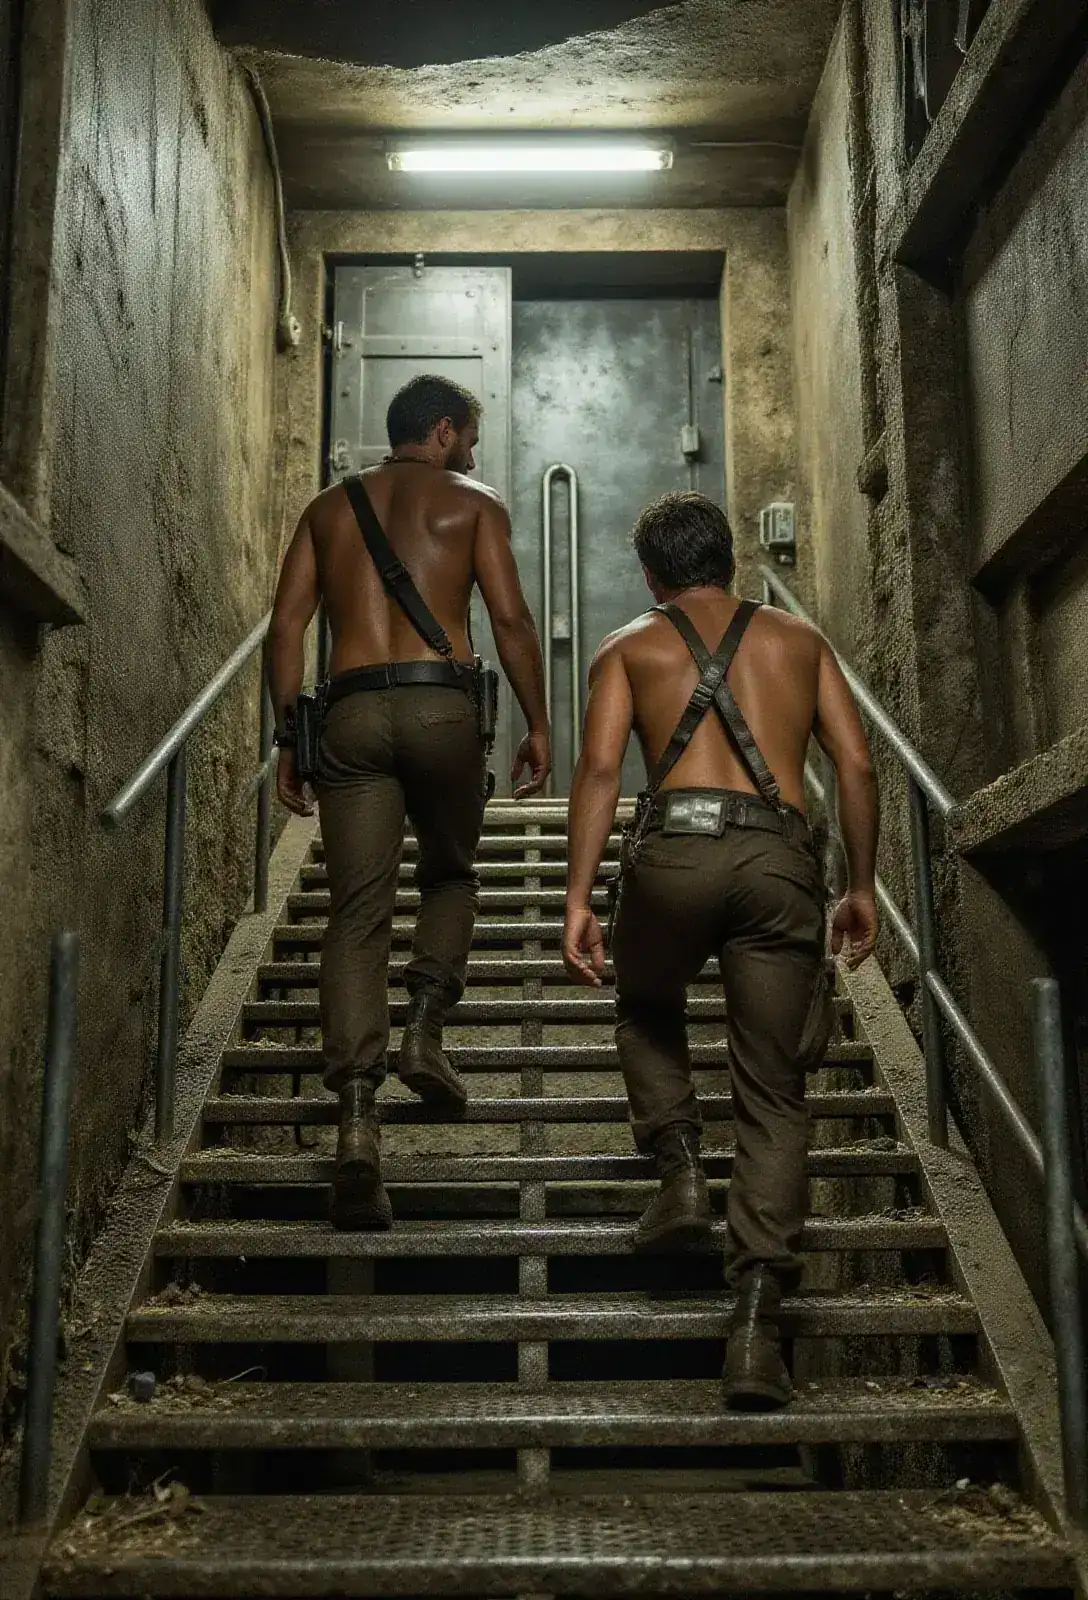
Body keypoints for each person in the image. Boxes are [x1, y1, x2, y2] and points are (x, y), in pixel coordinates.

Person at [562, 492, 878, 1411]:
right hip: (779, 856)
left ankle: (681, 1175)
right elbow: (855, 766)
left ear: (651, 575)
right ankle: (754, 1326)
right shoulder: (800, 641)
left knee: (644, 1002)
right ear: (731, 561)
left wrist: (579, 898)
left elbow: (596, 772)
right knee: (773, 1086)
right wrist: (860, 886)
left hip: (670, 855)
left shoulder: (627, 646)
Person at [266, 374, 551, 1231]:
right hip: (442, 707)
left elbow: (287, 628)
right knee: (452, 875)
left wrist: (292, 737)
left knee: (355, 913)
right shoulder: (475, 503)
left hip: (349, 710)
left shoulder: (326, 509)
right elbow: (510, 620)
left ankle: (357, 1121)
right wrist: (540, 724)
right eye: (470, 432)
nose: (475, 448)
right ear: (442, 431)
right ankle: (425, 1029)